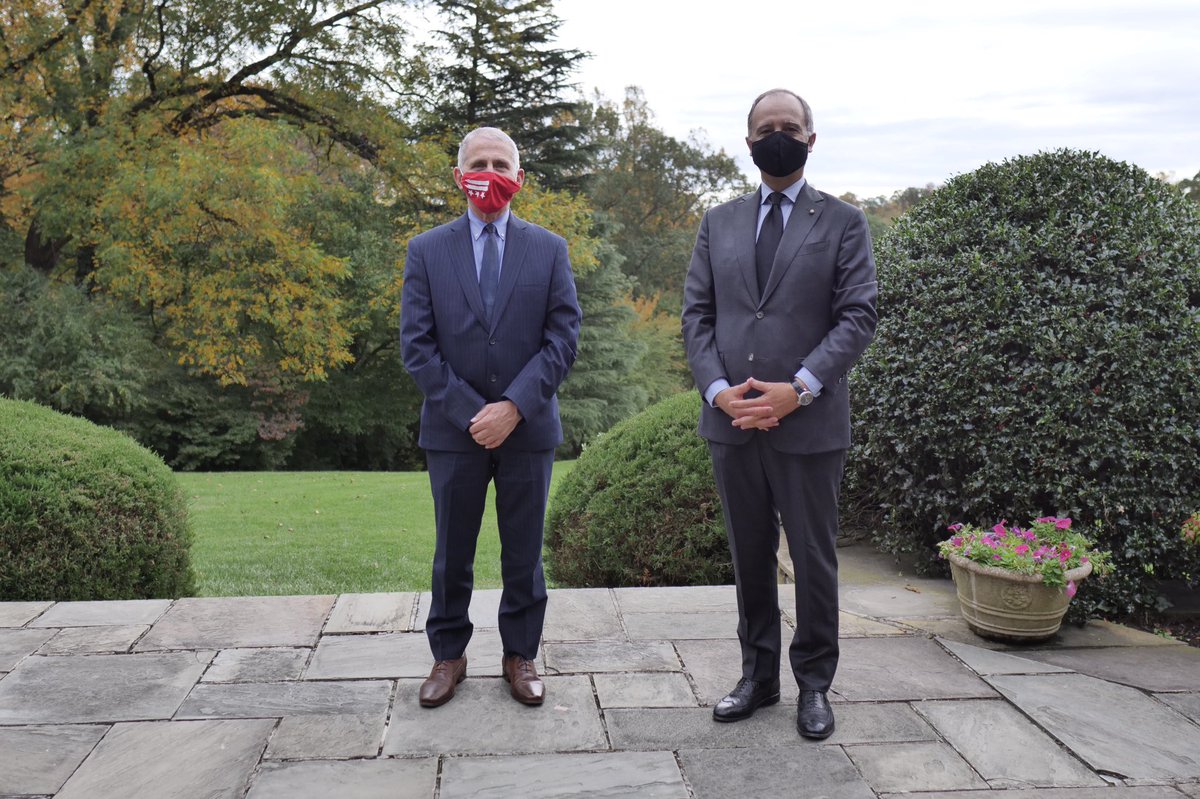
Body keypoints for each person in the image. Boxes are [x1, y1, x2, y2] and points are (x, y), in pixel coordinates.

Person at [680, 89, 878, 739]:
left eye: (789, 127)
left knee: (815, 559)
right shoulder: (719, 222)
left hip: (809, 422)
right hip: (732, 423)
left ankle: (814, 683)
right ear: (748, 142)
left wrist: (800, 387)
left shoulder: (844, 222)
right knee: (749, 554)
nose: (777, 136)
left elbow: (857, 316)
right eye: (765, 128)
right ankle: (758, 675)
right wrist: (718, 390)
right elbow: (698, 317)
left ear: (811, 139)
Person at [401, 126, 581, 708]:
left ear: (519, 178)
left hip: (528, 429)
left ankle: (520, 655)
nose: (489, 171)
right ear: (459, 176)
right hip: (453, 432)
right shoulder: (426, 250)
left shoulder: (549, 248)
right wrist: (473, 413)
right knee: (452, 551)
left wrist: (512, 407)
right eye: (477, 162)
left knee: (524, 553)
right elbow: (417, 346)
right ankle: (447, 656)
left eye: (501, 163)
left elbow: (563, 338)